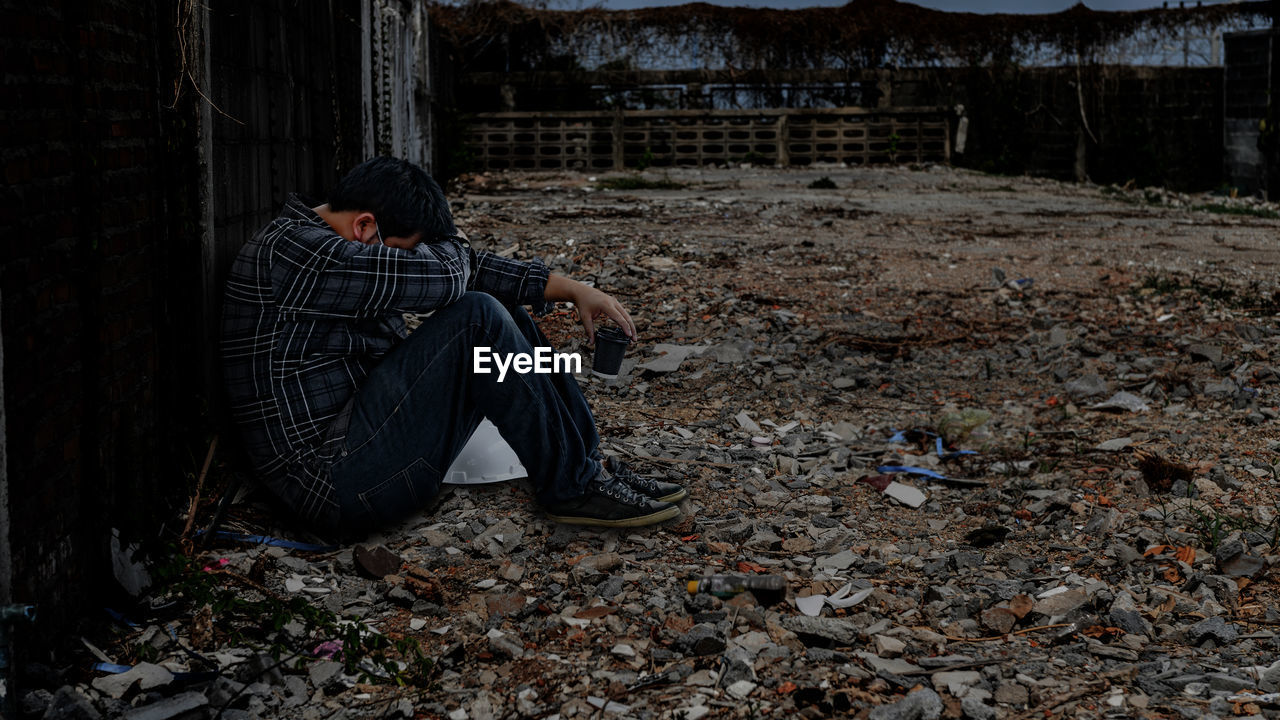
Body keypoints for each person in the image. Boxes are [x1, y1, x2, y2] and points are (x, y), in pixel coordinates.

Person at [221, 157, 685, 540]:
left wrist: (572, 289)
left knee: (499, 309)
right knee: (478, 315)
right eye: (404, 249)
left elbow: (457, 269)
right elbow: (446, 276)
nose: (404, 258)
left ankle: (588, 467)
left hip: (358, 441)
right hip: (334, 482)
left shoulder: (332, 243)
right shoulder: (300, 253)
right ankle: (573, 486)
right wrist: (455, 244)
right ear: (366, 227)